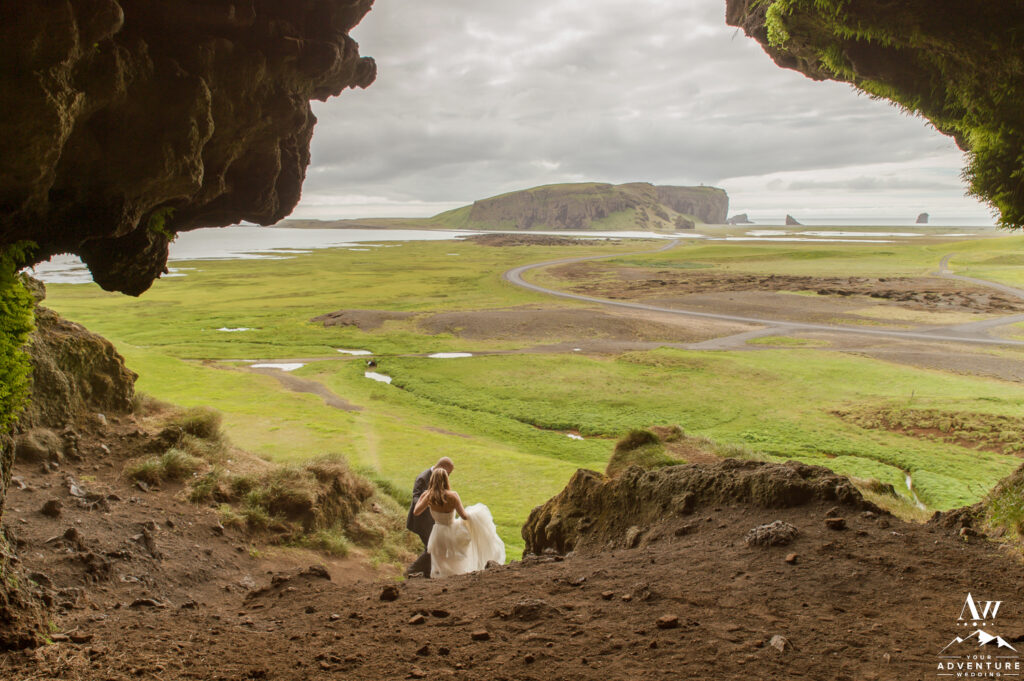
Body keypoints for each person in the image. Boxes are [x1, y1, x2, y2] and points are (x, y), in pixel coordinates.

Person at [412, 466, 505, 578]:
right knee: (455, 561)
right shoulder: (453, 496)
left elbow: (416, 512)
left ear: (432, 480)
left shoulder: (429, 496)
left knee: (439, 561)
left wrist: (423, 496)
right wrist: (475, 514)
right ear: (446, 480)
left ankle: (440, 580)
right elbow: (464, 516)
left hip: (438, 533)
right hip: (453, 531)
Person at [406, 457, 454, 577]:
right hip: (420, 521)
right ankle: (411, 571)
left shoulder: (438, 478)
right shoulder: (423, 477)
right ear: (442, 468)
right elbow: (415, 497)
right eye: (448, 473)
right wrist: (429, 502)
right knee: (431, 548)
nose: (449, 476)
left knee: (432, 547)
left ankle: (426, 574)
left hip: (432, 520)